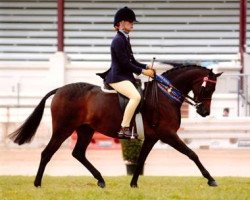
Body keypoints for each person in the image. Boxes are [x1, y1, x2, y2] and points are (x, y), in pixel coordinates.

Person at [102, 7, 155, 138]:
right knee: (135, 97)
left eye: (132, 21)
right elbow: (125, 63)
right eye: (129, 21)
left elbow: (132, 60)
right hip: (117, 77)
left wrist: (146, 65)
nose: (132, 23)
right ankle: (124, 128)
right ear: (120, 23)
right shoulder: (118, 40)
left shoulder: (125, 38)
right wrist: (143, 72)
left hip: (124, 76)